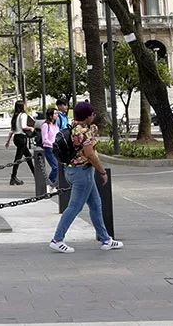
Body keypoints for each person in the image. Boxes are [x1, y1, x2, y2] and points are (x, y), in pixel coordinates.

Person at [49, 102, 122, 254]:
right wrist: (102, 172)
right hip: (82, 172)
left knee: (95, 204)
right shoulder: (84, 132)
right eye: (92, 114)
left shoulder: (74, 128)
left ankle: (105, 239)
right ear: (87, 116)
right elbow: (90, 155)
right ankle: (57, 239)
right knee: (74, 207)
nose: (93, 116)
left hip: (72, 169)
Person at [9, 100, 38, 186]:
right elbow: (23, 126)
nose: (26, 107)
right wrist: (31, 128)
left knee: (28, 157)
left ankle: (35, 175)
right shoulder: (23, 115)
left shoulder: (16, 116)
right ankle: (13, 177)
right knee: (18, 158)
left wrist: (8, 141)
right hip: (22, 138)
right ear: (22, 106)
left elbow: (12, 130)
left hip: (16, 137)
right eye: (25, 105)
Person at [39, 108, 61, 188]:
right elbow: (44, 139)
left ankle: (54, 184)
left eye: (57, 113)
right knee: (55, 167)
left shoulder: (56, 125)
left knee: (58, 167)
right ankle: (49, 184)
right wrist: (52, 144)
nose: (57, 115)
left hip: (56, 148)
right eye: (55, 113)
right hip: (49, 148)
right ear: (50, 116)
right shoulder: (45, 125)